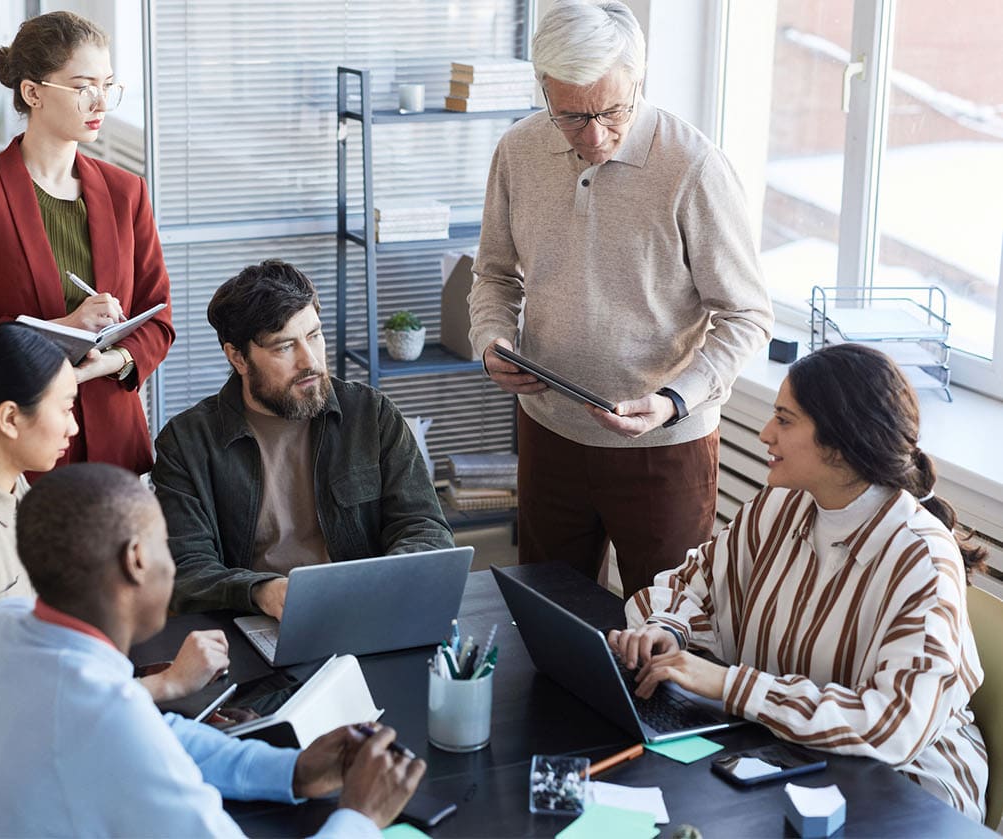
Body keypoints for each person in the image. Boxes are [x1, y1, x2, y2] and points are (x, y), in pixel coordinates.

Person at [0, 463, 426, 837]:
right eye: (166, 544)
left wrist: (290, 771)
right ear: (136, 560)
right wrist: (361, 815)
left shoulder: (2, 628)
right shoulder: (108, 715)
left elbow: (159, 736)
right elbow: (131, 733)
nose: (174, 563)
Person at [0, 324, 226, 838]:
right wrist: (165, 684)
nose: (74, 428)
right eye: (65, 408)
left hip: (4, 754)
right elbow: (15, 703)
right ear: (11, 418)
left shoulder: (7, 486)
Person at [467, 0, 773, 595]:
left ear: (639, 80)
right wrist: (491, 342)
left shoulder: (694, 167)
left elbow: (748, 316)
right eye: (571, 116)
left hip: (664, 448)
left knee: (661, 632)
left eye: (612, 110)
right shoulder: (518, 151)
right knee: (545, 613)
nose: (596, 134)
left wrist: (674, 400)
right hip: (548, 431)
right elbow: (495, 276)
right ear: (544, 91)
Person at [609, 344, 988, 821]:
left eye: (785, 421)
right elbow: (691, 582)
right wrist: (668, 629)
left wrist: (731, 684)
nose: (766, 433)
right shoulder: (780, 506)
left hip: (908, 790)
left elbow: (892, 727)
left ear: (841, 441)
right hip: (788, 753)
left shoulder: (922, 558)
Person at [0, 10, 172, 475]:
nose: (100, 102)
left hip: (116, 445)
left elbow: (157, 315)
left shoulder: (127, 192)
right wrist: (62, 327)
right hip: (24, 447)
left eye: (107, 85)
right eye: (83, 86)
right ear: (32, 92)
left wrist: (114, 360)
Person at [152, 260, 455, 618]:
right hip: (251, 622)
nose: (309, 361)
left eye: (314, 335)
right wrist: (261, 591)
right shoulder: (187, 443)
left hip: (361, 609)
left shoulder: (371, 415)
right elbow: (185, 568)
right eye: (284, 347)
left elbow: (426, 529)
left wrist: (371, 584)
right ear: (238, 357)